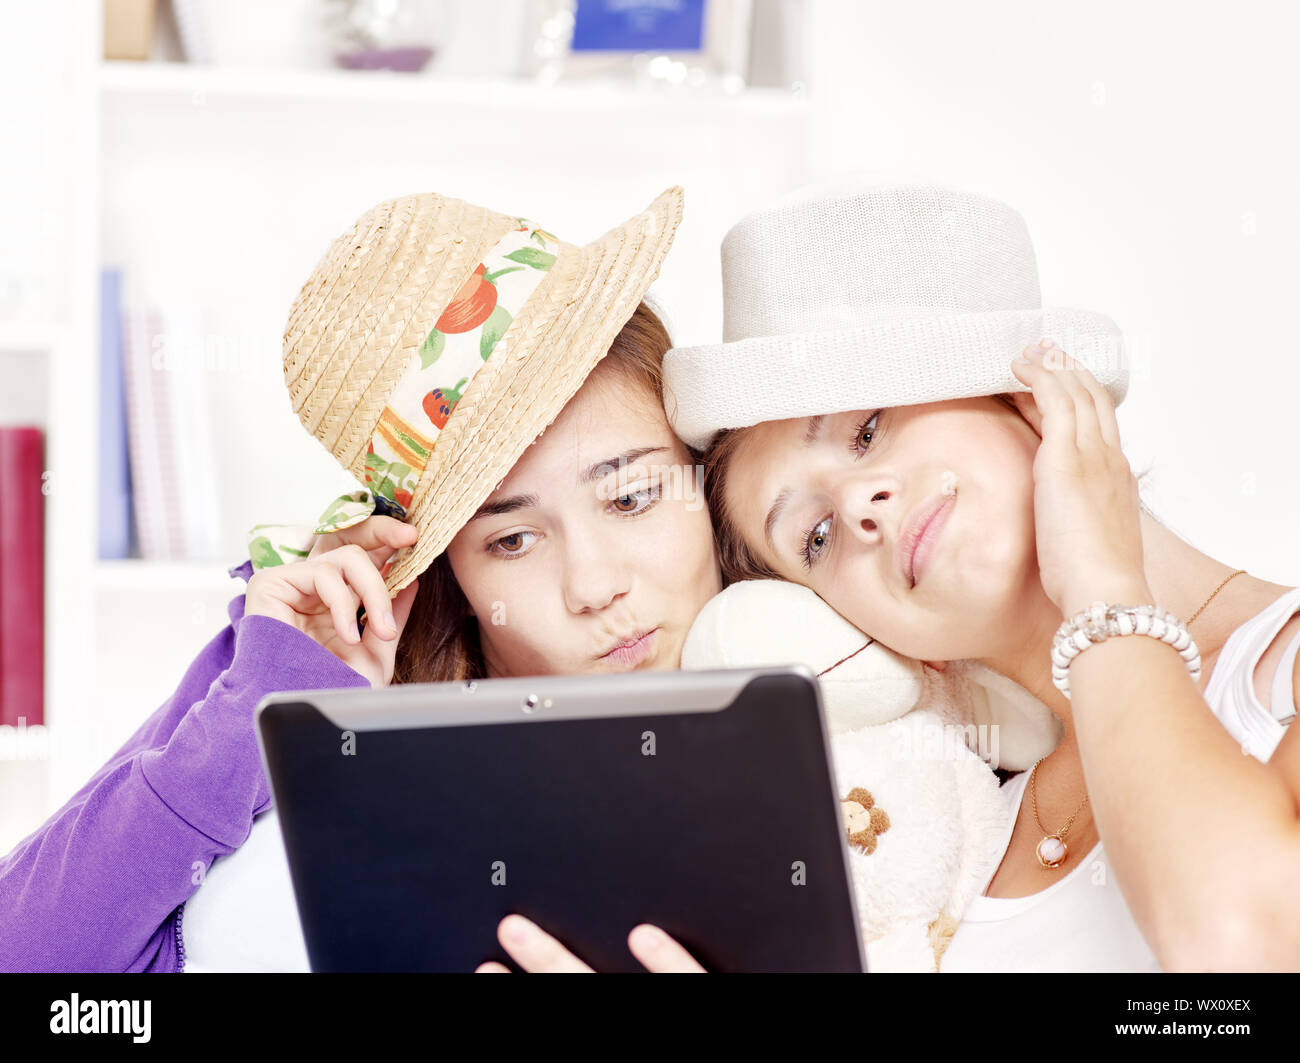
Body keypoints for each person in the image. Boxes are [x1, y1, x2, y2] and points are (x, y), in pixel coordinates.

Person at [0, 186, 722, 973]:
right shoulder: (316, 736)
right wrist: (257, 703)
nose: (593, 584)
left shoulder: (846, 695)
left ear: (703, 470)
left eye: (631, 496)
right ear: (451, 576)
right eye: (512, 539)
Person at [661, 178, 1300, 973]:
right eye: (815, 536)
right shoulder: (946, 854)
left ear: (1026, 391)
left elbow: (1244, 942)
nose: (862, 502)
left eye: (867, 429)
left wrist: (1100, 587)